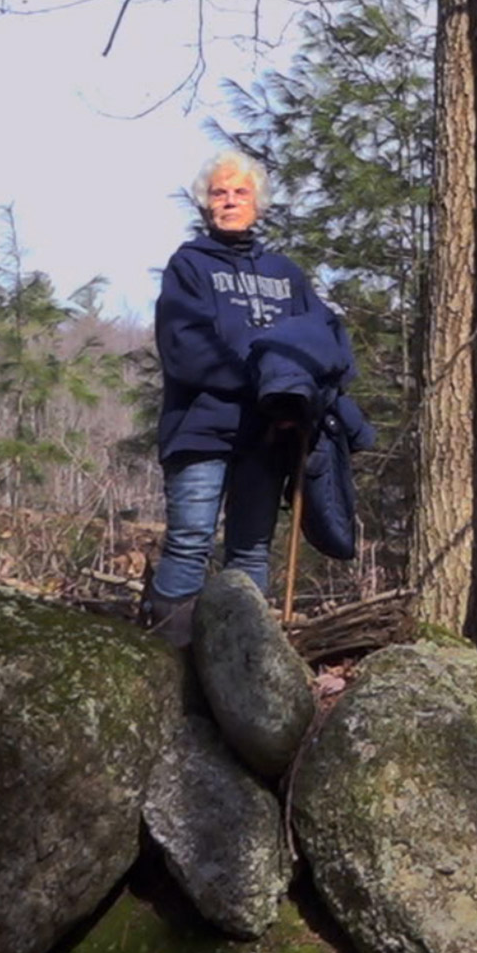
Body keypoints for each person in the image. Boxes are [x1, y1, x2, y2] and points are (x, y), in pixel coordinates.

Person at [141, 151, 330, 648]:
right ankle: (170, 666)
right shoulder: (189, 266)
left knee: (250, 552)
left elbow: (318, 343)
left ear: (258, 205)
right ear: (206, 204)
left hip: (267, 436)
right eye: (219, 193)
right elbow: (183, 347)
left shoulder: (287, 276)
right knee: (189, 544)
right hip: (201, 431)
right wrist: (261, 381)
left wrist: (297, 397)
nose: (229, 201)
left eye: (239, 192)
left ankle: (243, 670)